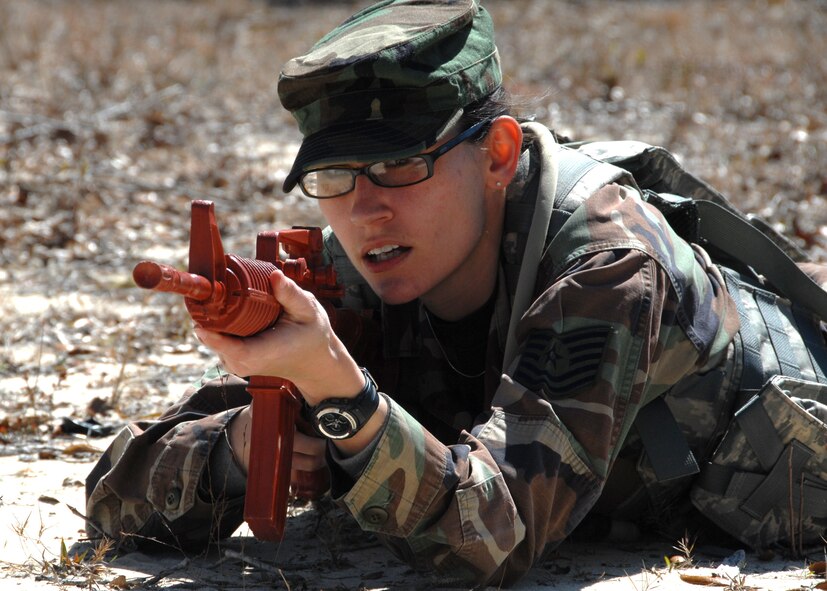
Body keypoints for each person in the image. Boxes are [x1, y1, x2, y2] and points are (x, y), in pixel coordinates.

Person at [85, 0, 827, 586]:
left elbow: (488, 542)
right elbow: (113, 499)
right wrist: (242, 448)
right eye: (334, 178)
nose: (366, 210)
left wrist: (340, 395)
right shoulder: (362, 269)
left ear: (498, 152)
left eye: (402, 165)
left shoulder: (606, 266)